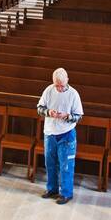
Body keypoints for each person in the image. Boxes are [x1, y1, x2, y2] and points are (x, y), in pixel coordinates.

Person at [37, 67, 84, 204]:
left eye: (61, 86)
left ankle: (66, 193)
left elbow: (79, 116)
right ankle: (52, 189)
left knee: (66, 165)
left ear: (67, 80)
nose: (59, 88)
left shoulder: (73, 94)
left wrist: (67, 116)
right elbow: (39, 108)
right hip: (50, 132)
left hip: (67, 134)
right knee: (50, 163)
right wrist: (48, 112)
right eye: (56, 85)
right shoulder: (48, 90)